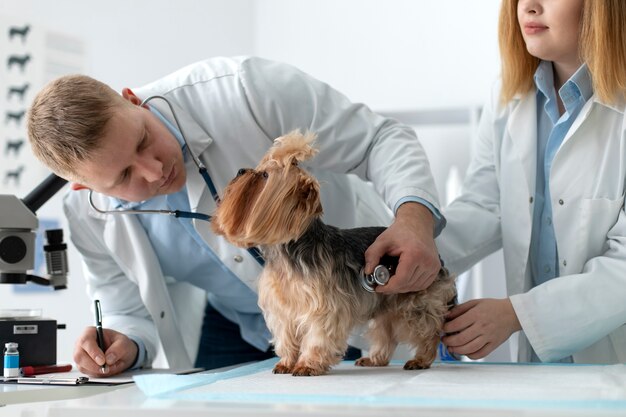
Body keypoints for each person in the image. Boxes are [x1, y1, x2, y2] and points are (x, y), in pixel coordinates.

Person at [27, 56, 445, 376]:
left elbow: (379, 140)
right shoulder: (86, 216)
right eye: (123, 176)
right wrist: (123, 343)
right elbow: (127, 312)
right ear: (86, 188)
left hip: (351, 293)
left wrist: (414, 220)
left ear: (132, 100)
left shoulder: (243, 89)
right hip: (234, 324)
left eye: (142, 139)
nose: (155, 170)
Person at [429, 0, 626, 363]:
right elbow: (485, 205)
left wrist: (517, 314)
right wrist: (418, 252)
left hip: (614, 370)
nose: (529, 7)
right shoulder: (507, 95)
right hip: (536, 368)